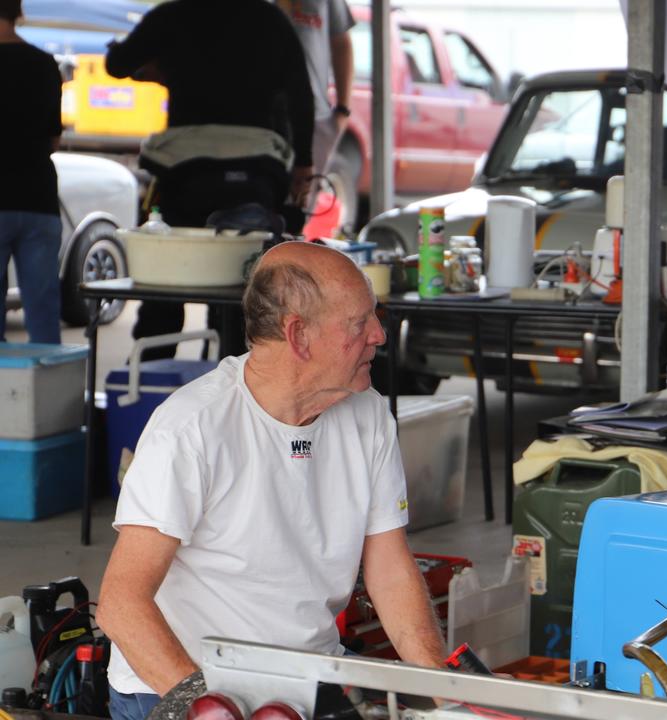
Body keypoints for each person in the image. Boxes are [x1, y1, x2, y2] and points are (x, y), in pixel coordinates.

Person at [96, 242, 446, 720]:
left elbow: (389, 569)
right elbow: (121, 604)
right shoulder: (193, 427)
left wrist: (447, 695)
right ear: (298, 335)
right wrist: (207, 708)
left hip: (304, 677)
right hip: (177, 684)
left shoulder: (368, 417)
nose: (379, 335)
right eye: (359, 322)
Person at [105, 0, 315, 359]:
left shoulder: (173, 14)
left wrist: (150, 64)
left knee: (165, 284)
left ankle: (150, 379)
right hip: (256, 168)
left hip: (185, 169)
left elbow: (118, 64)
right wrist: (304, 165)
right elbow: (301, 94)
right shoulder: (268, 18)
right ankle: (232, 382)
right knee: (243, 287)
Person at [0, 0, 62, 344]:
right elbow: (54, 136)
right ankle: (46, 395)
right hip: (38, 199)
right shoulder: (43, 63)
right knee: (42, 309)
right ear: (18, 12)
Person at [275, 0, 356, 179]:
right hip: (263, 118)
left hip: (316, 117)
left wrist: (342, 110)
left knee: (303, 199)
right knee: (259, 198)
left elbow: (341, 42)